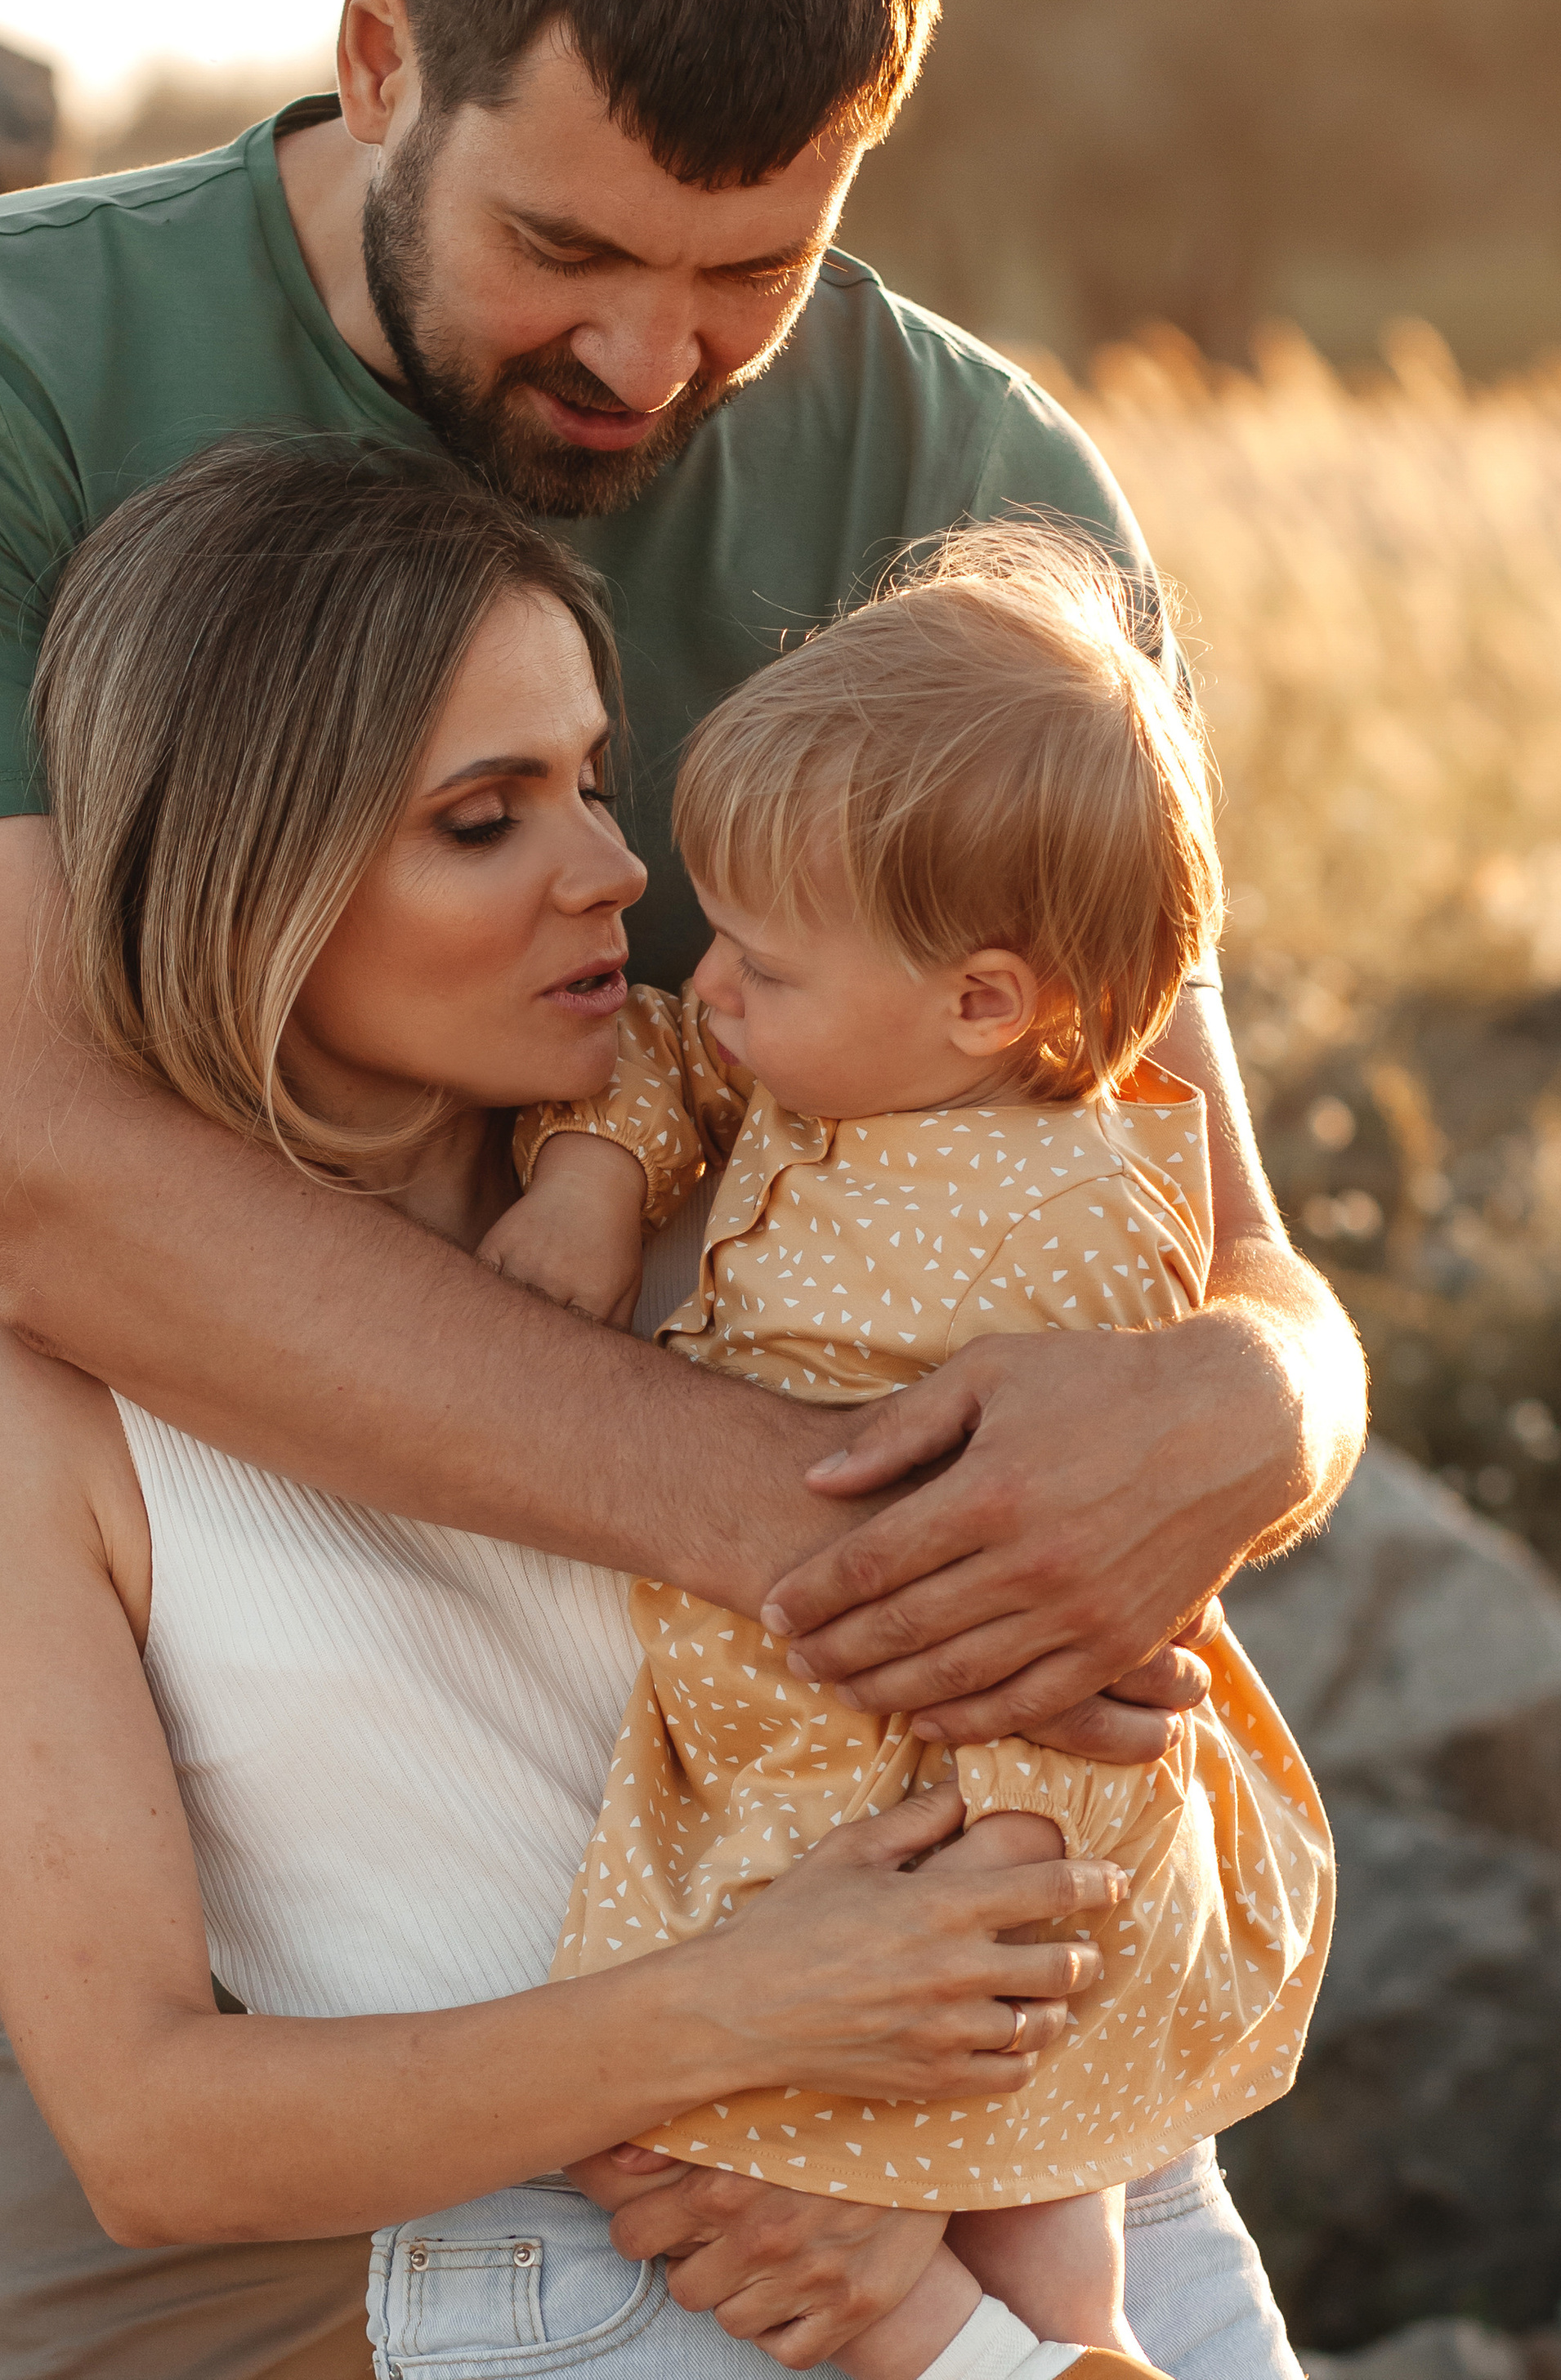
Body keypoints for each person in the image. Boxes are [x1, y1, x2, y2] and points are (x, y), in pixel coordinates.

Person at [0, 0, 1365, 2379]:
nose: (648, 362)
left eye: (754, 273)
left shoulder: (977, 495)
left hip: (819, 1884)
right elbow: (50, 1185)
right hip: (172, 1882)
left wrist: (1259, 1413)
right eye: (571, 253)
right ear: (381, 53)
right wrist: (869, 1564)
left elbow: (1212, 1228)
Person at [0, 435, 1148, 2380]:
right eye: (483, 818)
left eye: (593, 782)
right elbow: (147, 2136)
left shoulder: (792, 1189)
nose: (613, 873)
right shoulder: (5, 1403)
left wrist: (950, 2177)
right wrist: (745, 2020)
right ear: (246, 876)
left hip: (1061, 2192)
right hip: (614, 2296)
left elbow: (1130, 1726)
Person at [494, 521, 1333, 2370]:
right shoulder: (836, 1052)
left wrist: (984, 1916)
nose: (711, 984)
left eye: (762, 962)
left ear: (982, 1002)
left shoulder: (1077, 1229)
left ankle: (1056, 2345)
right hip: (787, 1753)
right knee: (676, 2147)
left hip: (970, 1804)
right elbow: (667, 1055)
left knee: (1012, 2175)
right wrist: (590, 1183)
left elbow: (1059, 1601)